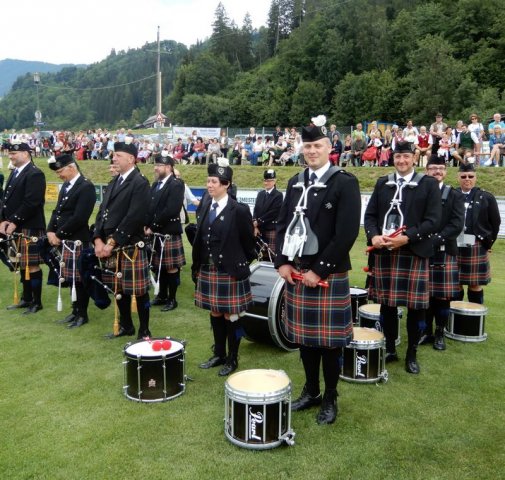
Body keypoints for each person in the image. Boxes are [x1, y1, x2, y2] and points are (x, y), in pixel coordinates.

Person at [275, 115, 361, 425]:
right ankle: (311, 391)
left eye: (317, 146)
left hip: (327, 274)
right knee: (306, 339)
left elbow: (346, 233)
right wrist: (282, 262)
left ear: (329, 148)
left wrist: (319, 271)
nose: (311, 151)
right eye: (307, 146)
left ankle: (330, 396)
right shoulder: (295, 181)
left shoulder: (344, 182)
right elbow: (283, 224)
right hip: (297, 272)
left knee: (329, 342)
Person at [364, 141, 441, 374]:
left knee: (416, 308)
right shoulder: (382, 183)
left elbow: (433, 221)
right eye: (398, 157)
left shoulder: (428, 184)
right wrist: (374, 236)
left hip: (412, 251)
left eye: (406, 156)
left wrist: (406, 238)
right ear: (393, 158)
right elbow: (370, 215)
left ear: (414, 158)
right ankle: (389, 348)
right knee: (386, 305)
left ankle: (412, 353)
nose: (402, 161)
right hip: (385, 252)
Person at [192, 162, 256, 377]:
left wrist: (238, 264)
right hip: (209, 269)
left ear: (226, 185)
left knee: (232, 315)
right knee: (215, 311)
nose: (209, 185)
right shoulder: (205, 205)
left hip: (230, 271)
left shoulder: (238, 210)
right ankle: (219, 353)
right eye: (208, 181)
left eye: (214, 182)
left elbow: (249, 244)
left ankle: (233, 358)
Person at [93, 136, 152, 339]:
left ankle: (144, 329)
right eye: (113, 155)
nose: (114, 159)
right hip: (111, 245)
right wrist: (97, 239)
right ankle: (126, 326)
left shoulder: (140, 183)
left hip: (129, 247)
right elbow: (101, 213)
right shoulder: (114, 182)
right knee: (118, 288)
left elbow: (134, 217)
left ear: (131, 159)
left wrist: (112, 242)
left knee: (139, 290)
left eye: (118, 156)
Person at [419, 157, 464, 350]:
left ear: (445, 171)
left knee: (443, 296)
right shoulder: (419, 192)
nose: (437, 171)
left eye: (441, 168)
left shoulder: (454, 194)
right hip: (422, 249)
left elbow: (457, 224)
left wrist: (436, 239)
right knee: (425, 295)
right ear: (426, 170)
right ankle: (425, 331)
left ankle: (439, 333)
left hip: (444, 249)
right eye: (433, 168)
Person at [47, 153, 96, 327]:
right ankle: (75, 311)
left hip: (77, 240)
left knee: (80, 279)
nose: (58, 174)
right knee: (69, 278)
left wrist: (58, 234)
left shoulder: (86, 186)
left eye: (61, 171)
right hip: (65, 240)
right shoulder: (67, 185)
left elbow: (79, 218)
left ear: (72, 167)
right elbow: (57, 211)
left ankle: (82, 314)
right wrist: (50, 231)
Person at [0, 141, 46, 314]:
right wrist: (3, 220)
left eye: (14, 154)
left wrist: (14, 221)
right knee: (21, 263)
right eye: (9, 154)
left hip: (29, 226)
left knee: (32, 264)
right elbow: (5, 201)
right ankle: (26, 299)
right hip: (15, 226)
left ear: (26, 154)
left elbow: (31, 202)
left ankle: (37, 302)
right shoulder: (15, 173)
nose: (10, 156)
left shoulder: (35, 173)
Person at [145, 153, 186, 312]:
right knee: (158, 266)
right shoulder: (155, 185)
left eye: (159, 165)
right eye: (155, 165)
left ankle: (172, 299)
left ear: (168, 167)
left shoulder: (176, 184)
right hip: (155, 232)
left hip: (168, 232)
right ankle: (161, 295)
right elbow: (149, 207)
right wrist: (145, 224)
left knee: (171, 267)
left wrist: (153, 226)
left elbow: (171, 210)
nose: (156, 168)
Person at [455, 164, 501, 305]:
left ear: (476, 177)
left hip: (476, 245)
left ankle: (474, 321)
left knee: (475, 284)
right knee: (455, 283)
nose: (467, 179)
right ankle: (455, 319)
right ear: (458, 178)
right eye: (463, 176)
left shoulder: (486, 197)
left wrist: (488, 243)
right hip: (454, 245)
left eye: (471, 176)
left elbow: (495, 223)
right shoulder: (451, 194)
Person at [252, 169, 283, 259]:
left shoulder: (278, 195)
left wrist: (258, 222)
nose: (266, 183)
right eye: (265, 180)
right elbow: (255, 210)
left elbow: (273, 212)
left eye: (269, 181)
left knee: (271, 256)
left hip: (271, 229)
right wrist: (255, 225)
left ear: (274, 181)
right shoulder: (260, 194)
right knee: (260, 256)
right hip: (259, 229)